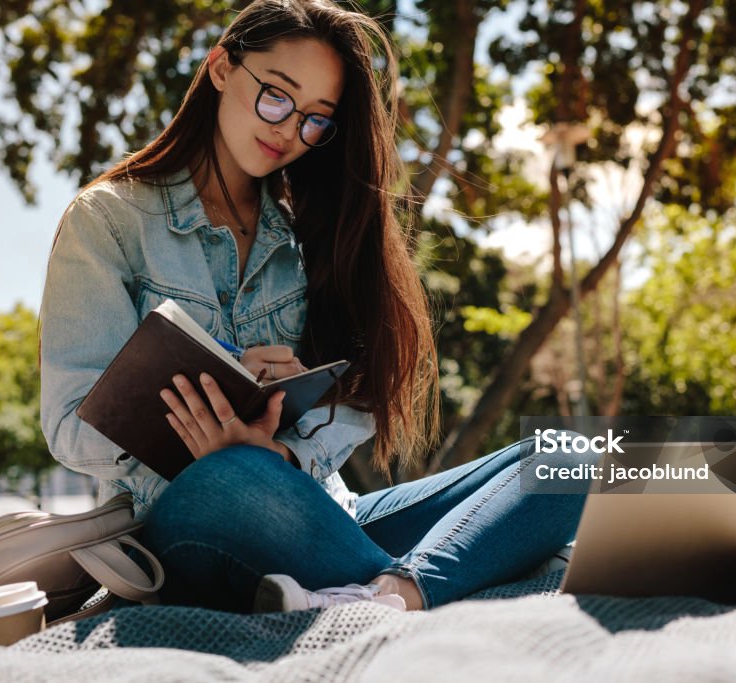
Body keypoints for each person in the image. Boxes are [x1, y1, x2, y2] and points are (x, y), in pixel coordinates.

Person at [40, 0, 584, 613]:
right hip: (193, 512)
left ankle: (396, 593)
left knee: (575, 456)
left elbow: (355, 398)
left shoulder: (309, 232)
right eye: (276, 96)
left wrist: (284, 447)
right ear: (221, 68)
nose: (287, 130)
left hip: (324, 511)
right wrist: (207, 434)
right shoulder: (110, 219)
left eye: (314, 120)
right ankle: (455, 577)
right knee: (231, 477)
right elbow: (66, 424)